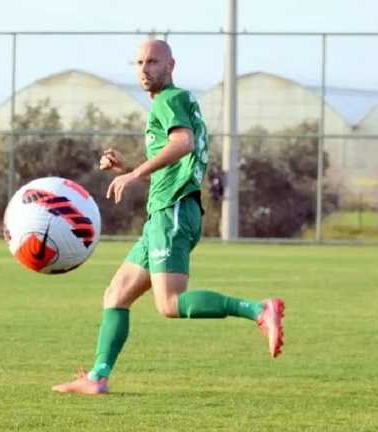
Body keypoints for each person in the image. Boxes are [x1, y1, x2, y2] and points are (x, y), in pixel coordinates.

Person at [51, 39, 285, 395]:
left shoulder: (169, 100)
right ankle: (98, 377)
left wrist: (134, 175)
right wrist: (128, 166)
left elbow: (183, 144)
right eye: (140, 62)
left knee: (170, 303)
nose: (145, 69)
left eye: (153, 62)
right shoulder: (177, 102)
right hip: (166, 212)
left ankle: (259, 310)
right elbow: (174, 160)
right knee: (115, 296)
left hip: (173, 211)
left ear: (171, 65)